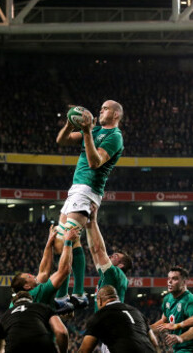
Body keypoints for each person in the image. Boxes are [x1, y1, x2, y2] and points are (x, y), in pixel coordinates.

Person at [53, 100, 124, 308]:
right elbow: (61, 141)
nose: (101, 109)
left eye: (106, 108)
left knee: (67, 239)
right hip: (76, 189)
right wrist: (69, 124)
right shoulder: (96, 130)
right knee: (64, 243)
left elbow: (94, 162)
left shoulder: (114, 137)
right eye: (101, 107)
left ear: (116, 115)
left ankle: (69, 295)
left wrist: (86, 132)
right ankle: (73, 294)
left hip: (87, 190)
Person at [10, 227, 78, 309]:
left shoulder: (14, 303)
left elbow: (44, 272)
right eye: (28, 276)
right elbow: (64, 271)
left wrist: (49, 243)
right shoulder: (37, 293)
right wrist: (68, 241)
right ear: (27, 286)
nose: (32, 275)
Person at [78, 285, 158, 353]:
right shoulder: (137, 312)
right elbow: (154, 342)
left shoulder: (99, 316)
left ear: (100, 300)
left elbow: (84, 350)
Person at [85, 203, 132, 310]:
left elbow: (98, 249)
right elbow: (93, 251)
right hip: (104, 320)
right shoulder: (107, 275)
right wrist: (88, 227)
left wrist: (93, 220)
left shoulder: (116, 274)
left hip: (110, 321)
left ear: (120, 265)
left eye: (115, 256)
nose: (110, 256)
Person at [0, 291, 68, 353]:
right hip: (42, 346)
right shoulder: (42, 307)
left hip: (14, 348)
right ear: (31, 300)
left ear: (14, 303)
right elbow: (61, 332)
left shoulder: (5, 315)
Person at [150, 266, 193, 352]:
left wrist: (180, 338)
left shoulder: (190, 301)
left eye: (174, 279)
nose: (170, 282)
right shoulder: (167, 299)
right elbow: (164, 321)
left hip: (192, 350)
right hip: (178, 350)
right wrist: (145, 329)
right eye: (169, 278)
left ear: (184, 282)